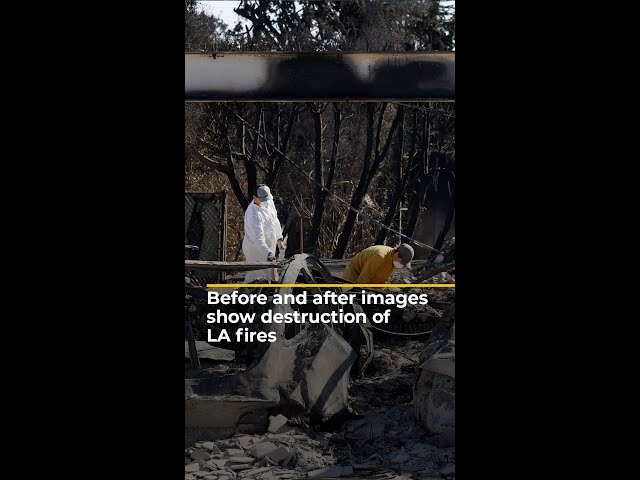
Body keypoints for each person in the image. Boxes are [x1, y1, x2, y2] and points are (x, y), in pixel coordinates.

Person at [242, 185, 284, 283]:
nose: (265, 201)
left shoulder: (269, 201)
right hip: (255, 249)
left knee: (271, 273)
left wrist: (279, 238)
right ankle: (246, 296)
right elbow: (258, 240)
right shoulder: (253, 214)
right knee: (256, 275)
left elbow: (275, 220)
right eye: (262, 199)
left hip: (269, 244)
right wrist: (268, 253)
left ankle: (269, 294)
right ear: (254, 197)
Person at [341, 243, 414, 284]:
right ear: (397, 254)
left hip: (369, 280)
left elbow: (383, 280)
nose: (401, 265)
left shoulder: (392, 261)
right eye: (401, 262)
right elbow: (363, 279)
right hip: (354, 274)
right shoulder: (379, 256)